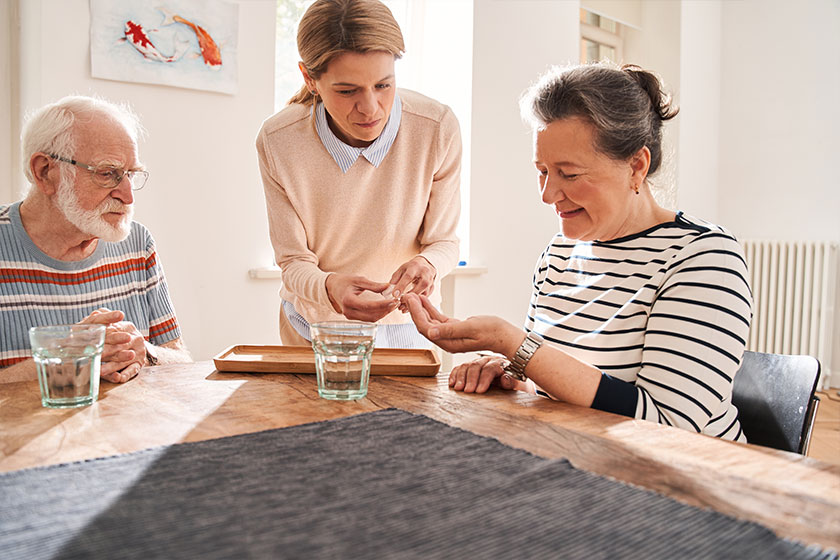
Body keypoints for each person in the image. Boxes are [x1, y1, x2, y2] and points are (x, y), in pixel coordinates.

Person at [405, 63, 753, 441]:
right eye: (542, 171)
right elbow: (555, 388)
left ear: (636, 166)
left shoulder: (703, 259)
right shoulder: (558, 255)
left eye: (569, 174)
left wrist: (514, 344)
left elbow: (671, 426)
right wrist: (509, 373)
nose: (547, 194)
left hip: (684, 480)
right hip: (577, 459)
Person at [256, 0, 461, 348]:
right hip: (311, 330)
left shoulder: (436, 127)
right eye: (347, 91)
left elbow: (444, 242)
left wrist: (429, 264)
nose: (370, 108)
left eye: (383, 85)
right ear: (310, 79)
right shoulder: (279, 141)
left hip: (410, 334)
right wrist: (328, 288)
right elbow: (293, 260)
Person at [0, 95, 191, 384]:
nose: (127, 196)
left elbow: (180, 360)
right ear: (45, 172)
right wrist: (64, 357)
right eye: (107, 173)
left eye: (130, 175)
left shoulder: (137, 243)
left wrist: (144, 352)